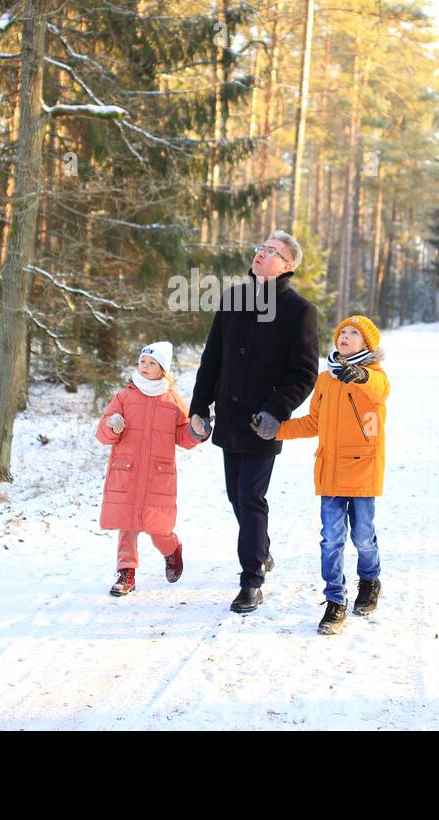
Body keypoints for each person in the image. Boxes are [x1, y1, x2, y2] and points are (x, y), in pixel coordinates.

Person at [188, 232, 320, 614]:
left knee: (250, 496)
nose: (261, 255)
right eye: (260, 249)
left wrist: (276, 410)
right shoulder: (233, 299)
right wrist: (199, 405)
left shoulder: (299, 311)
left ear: (288, 266)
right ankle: (260, 551)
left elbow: (305, 372)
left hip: (262, 421)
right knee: (236, 496)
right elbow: (212, 358)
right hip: (229, 416)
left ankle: (251, 581)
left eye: (271, 252)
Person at [268, 314, 388, 635]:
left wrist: (361, 375)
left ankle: (370, 580)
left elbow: (378, 391)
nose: (344, 336)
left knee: (362, 536)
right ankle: (335, 600)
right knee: (331, 540)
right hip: (330, 471)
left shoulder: (375, 376)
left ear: (368, 343)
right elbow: (312, 422)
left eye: (353, 333)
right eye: (342, 332)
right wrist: (276, 430)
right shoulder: (325, 380)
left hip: (362, 469)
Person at [96, 341, 202, 596]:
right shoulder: (124, 396)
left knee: (158, 530)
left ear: (163, 370)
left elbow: (184, 437)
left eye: (152, 363)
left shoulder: (172, 401)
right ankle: (126, 573)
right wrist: (112, 425)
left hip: (158, 475)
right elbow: (102, 433)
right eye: (143, 361)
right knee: (127, 525)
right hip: (127, 473)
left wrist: (196, 432)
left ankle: (172, 549)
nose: (145, 366)